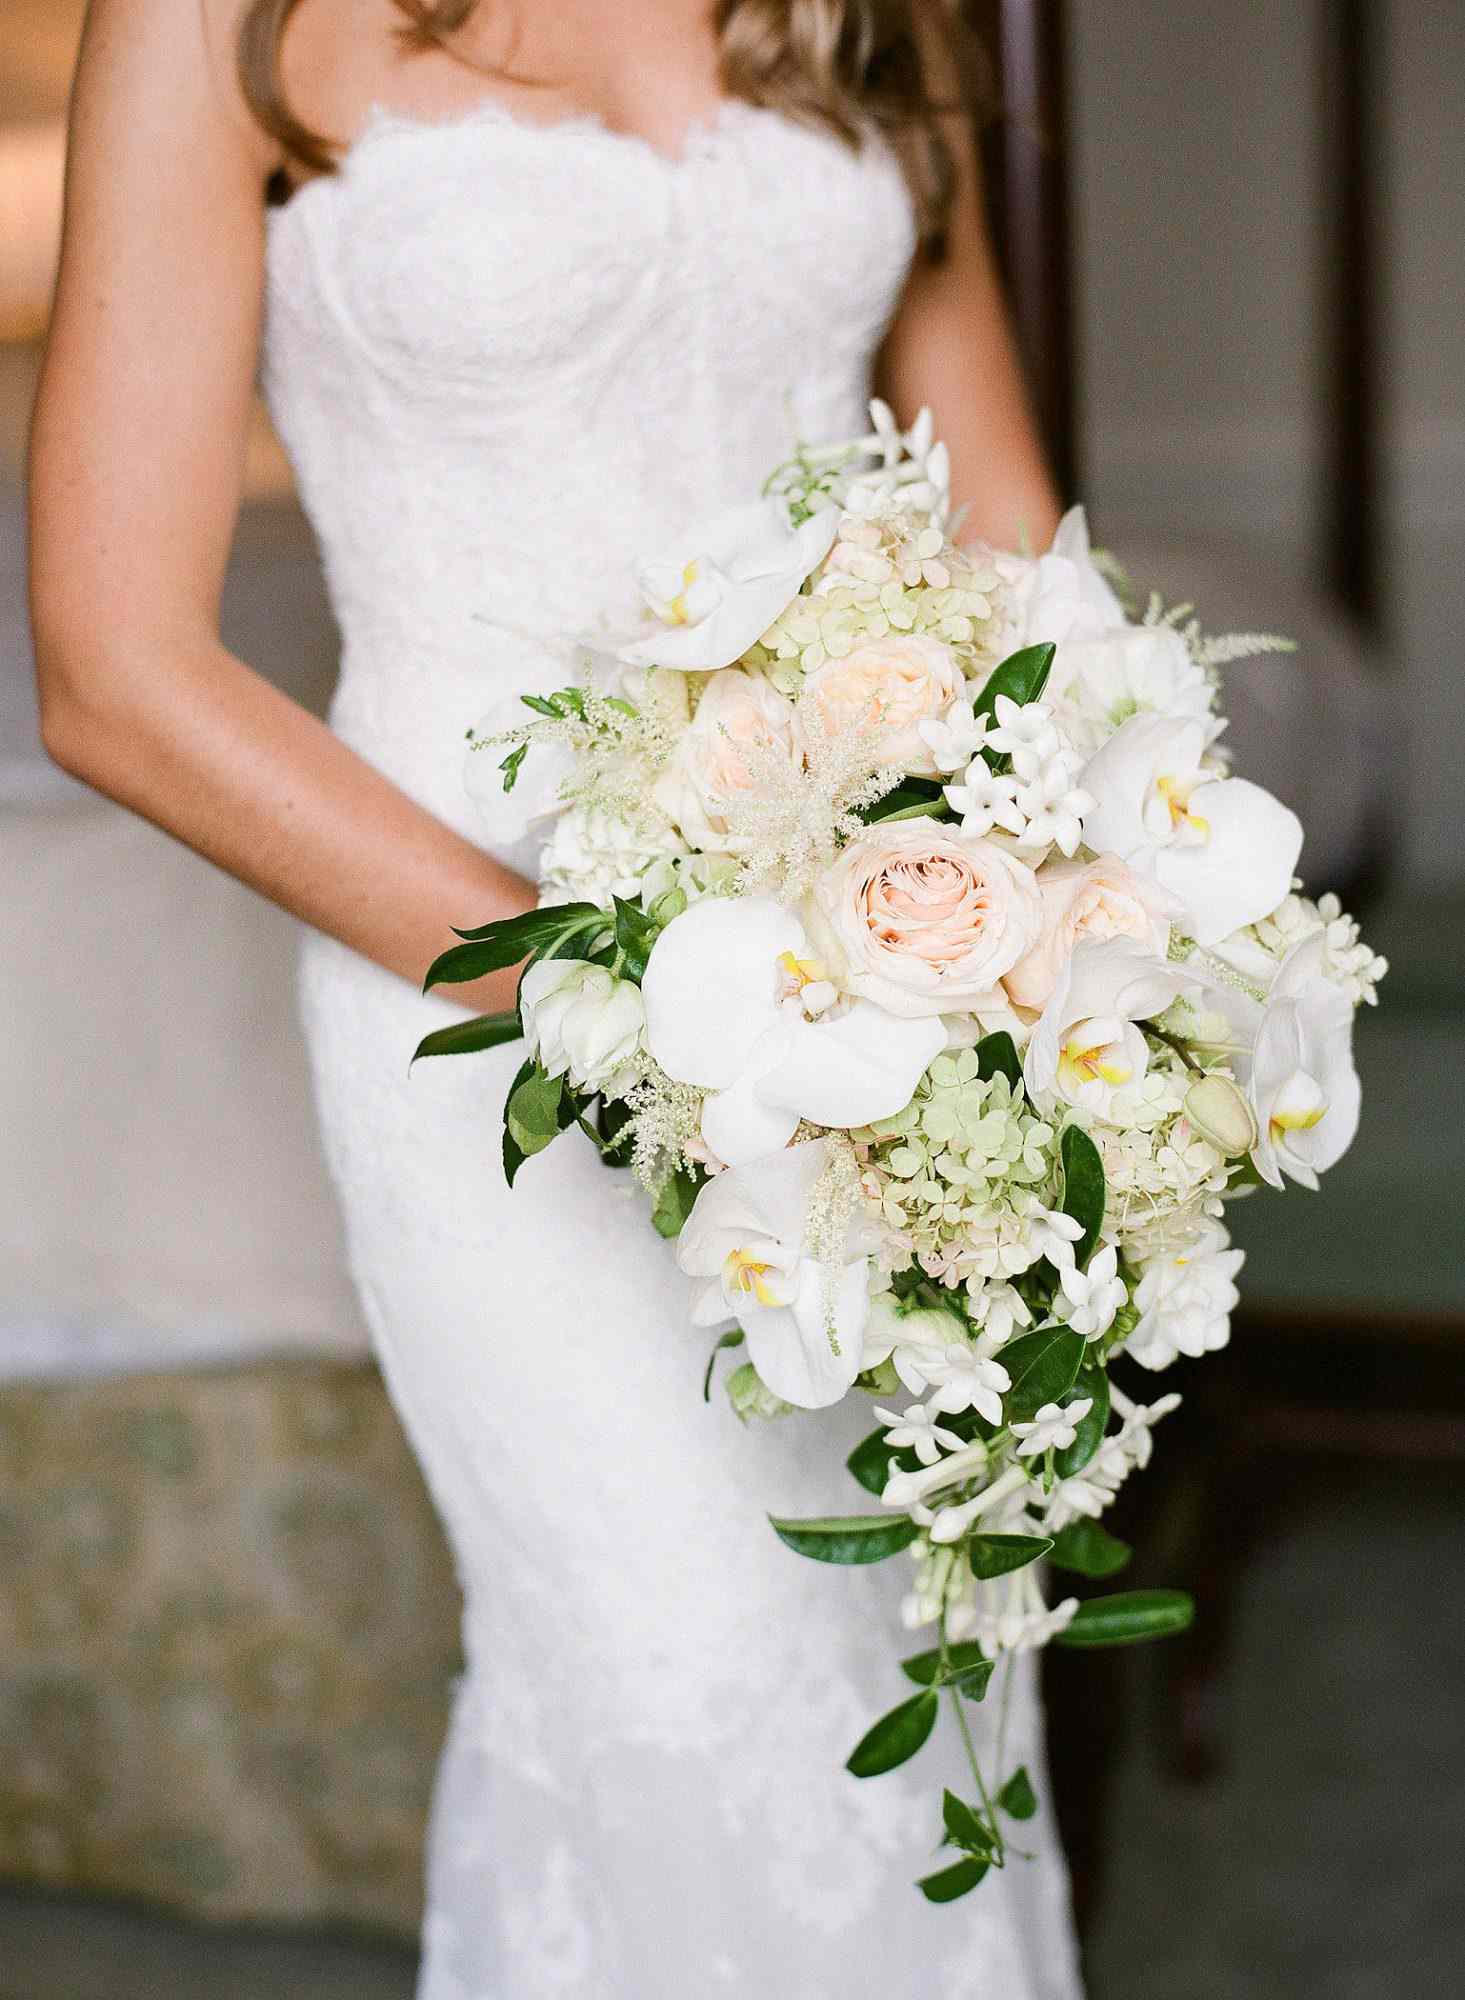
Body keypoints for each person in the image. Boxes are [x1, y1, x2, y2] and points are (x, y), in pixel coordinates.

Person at [29, 3, 1079, 1992]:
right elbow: (113, 670)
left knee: (914, 1659)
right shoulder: (200, 16)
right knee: (672, 1679)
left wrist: (1053, 916)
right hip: (477, 1014)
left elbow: (997, 524)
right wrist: (634, 1001)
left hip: (896, 986)